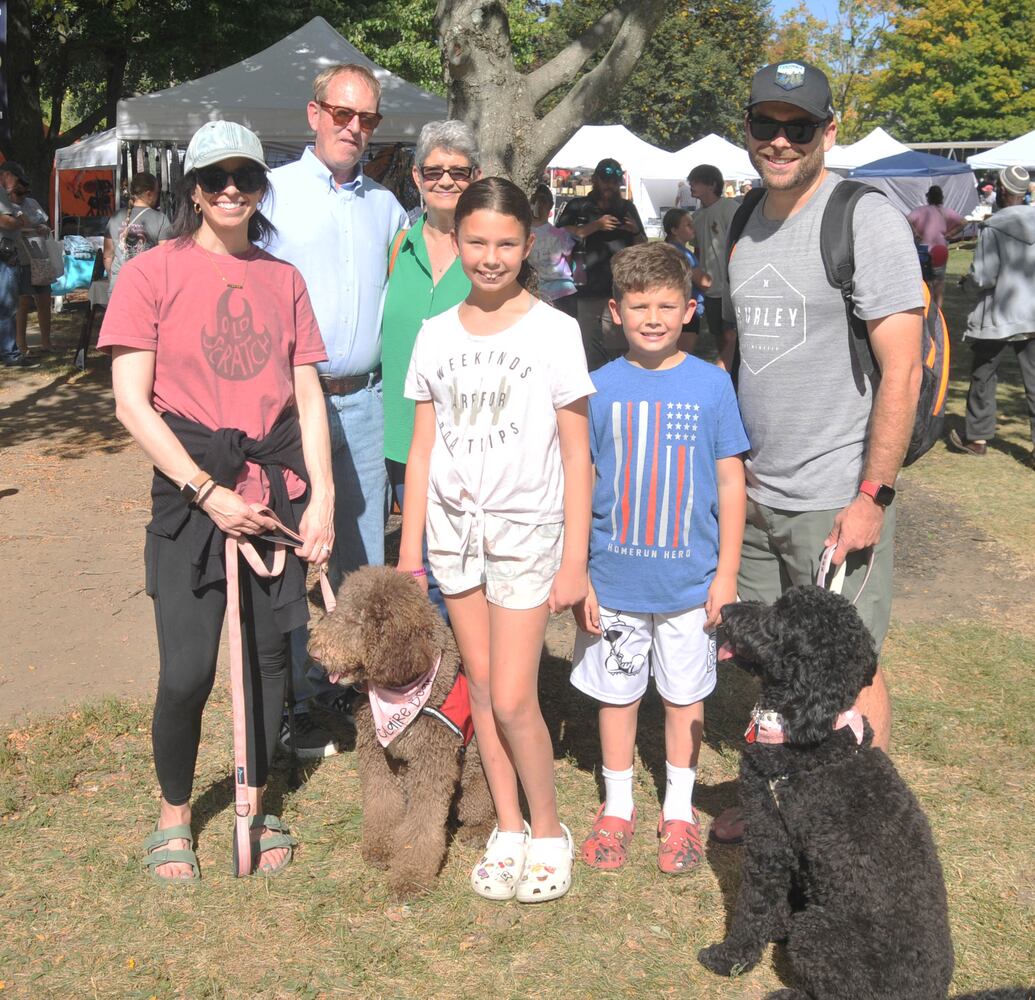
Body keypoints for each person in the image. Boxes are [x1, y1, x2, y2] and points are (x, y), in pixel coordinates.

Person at [97, 120, 335, 882]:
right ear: (193, 189)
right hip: (190, 494)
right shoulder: (149, 273)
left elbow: (306, 398)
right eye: (215, 177)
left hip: (274, 494)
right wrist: (205, 492)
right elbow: (133, 403)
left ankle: (255, 801)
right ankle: (173, 817)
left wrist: (323, 498)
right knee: (188, 669)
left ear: (262, 188)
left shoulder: (283, 279)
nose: (231, 188)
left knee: (268, 666)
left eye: (246, 177)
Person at [712, 60, 924, 845]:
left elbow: (901, 366)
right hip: (757, 489)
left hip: (834, 492)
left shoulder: (861, 217)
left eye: (796, 126)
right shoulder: (739, 221)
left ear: (826, 131)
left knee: (848, 667)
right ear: (747, 130)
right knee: (772, 664)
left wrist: (871, 494)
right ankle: (778, 801)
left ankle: (859, 826)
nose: (778, 140)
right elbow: (734, 353)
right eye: (764, 124)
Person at [398, 177, 594, 903]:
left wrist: (575, 558)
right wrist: (409, 554)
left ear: (528, 242)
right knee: (479, 688)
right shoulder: (435, 333)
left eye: (505, 243)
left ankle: (547, 830)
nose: (489, 257)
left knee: (514, 696)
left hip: (527, 534)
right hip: (453, 538)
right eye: (476, 241)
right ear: (456, 239)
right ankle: (506, 825)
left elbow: (577, 454)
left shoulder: (554, 331)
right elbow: (421, 452)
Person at [571, 243, 748, 875]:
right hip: (613, 580)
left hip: (689, 585)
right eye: (639, 305)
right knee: (616, 698)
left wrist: (725, 574)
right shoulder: (595, 387)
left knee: (683, 699)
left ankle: (678, 811)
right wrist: (582, 571)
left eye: (667, 306)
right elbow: (583, 479)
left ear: (690, 309)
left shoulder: (712, 382)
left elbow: (730, 481)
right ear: (615, 311)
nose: (653, 317)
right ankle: (616, 807)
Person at [264, 63, 408, 758]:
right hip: (289, 405)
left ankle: (355, 691)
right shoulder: (271, 194)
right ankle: (289, 698)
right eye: (343, 114)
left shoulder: (386, 206)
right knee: (287, 553)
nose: (355, 128)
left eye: (368, 119)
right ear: (314, 112)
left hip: (364, 401)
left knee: (361, 559)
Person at [383, 119, 479, 618]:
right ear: (417, 177)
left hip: (471, 440)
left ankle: (463, 682)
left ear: (475, 177)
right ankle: (427, 682)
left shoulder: (487, 253)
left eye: (458, 173)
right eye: (434, 171)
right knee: (416, 565)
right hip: (402, 435)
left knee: (463, 569)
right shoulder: (399, 247)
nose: (446, 181)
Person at [949, 165, 1035, 468]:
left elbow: (984, 276)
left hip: (999, 312)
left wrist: (964, 283)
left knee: (984, 374)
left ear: (1000, 190)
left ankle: (978, 438)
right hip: (1033, 313)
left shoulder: (994, 226)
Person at [556, 158, 646, 370]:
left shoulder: (626, 207)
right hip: (585, 287)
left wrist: (635, 231)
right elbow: (558, 235)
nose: (609, 186)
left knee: (618, 349)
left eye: (614, 182)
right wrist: (595, 226)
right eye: (605, 180)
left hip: (619, 288)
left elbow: (642, 245)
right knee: (586, 347)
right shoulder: (578, 206)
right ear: (595, 179)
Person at [689, 163, 739, 369]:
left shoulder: (730, 208)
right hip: (710, 289)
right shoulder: (696, 217)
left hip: (731, 287)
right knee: (718, 335)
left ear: (711, 184)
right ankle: (726, 376)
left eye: (696, 181)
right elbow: (698, 251)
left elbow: (741, 242)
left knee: (733, 335)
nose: (691, 185)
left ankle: (736, 374)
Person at [0, 161, 42, 369]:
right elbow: (5, 221)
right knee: (7, 305)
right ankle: (10, 353)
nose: (16, 186)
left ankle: (10, 351)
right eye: (16, 180)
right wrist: (17, 221)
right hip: (4, 254)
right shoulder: (0, 192)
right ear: (7, 174)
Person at [9, 175, 54, 356]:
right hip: (21, 258)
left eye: (25, 192)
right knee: (23, 303)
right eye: (19, 191)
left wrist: (43, 227)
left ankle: (46, 342)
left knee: (44, 300)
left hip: (40, 259)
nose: (22, 196)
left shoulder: (33, 203)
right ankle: (22, 345)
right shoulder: (6, 207)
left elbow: (44, 223)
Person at [103, 172, 172, 290]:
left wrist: (113, 278)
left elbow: (107, 256)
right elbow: (166, 258)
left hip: (118, 286)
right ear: (149, 194)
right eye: (157, 193)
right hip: (147, 287)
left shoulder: (115, 217)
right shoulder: (161, 219)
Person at [906, 185, 965, 312]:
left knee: (924, 282)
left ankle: (926, 309)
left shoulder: (920, 211)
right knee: (939, 282)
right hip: (940, 248)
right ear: (941, 197)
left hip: (924, 249)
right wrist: (950, 234)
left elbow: (907, 220)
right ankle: (937, 312)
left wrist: (915, 233)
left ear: (928, 197)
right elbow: (963, 222)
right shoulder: (945, 211)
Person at [662, 207, 710, 354]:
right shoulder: (682, 254)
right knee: (681, 356)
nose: (693, 228)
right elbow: (704, 282)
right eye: (688, 225)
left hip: (670, 308)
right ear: (674, 230)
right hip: (686, 311)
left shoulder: (666, 249)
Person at [529, 183, 578, 319]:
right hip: (564, 291)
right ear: (549, 207)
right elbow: (568, 257)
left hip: (536, 292)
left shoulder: (523, 236)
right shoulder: (560, 234)